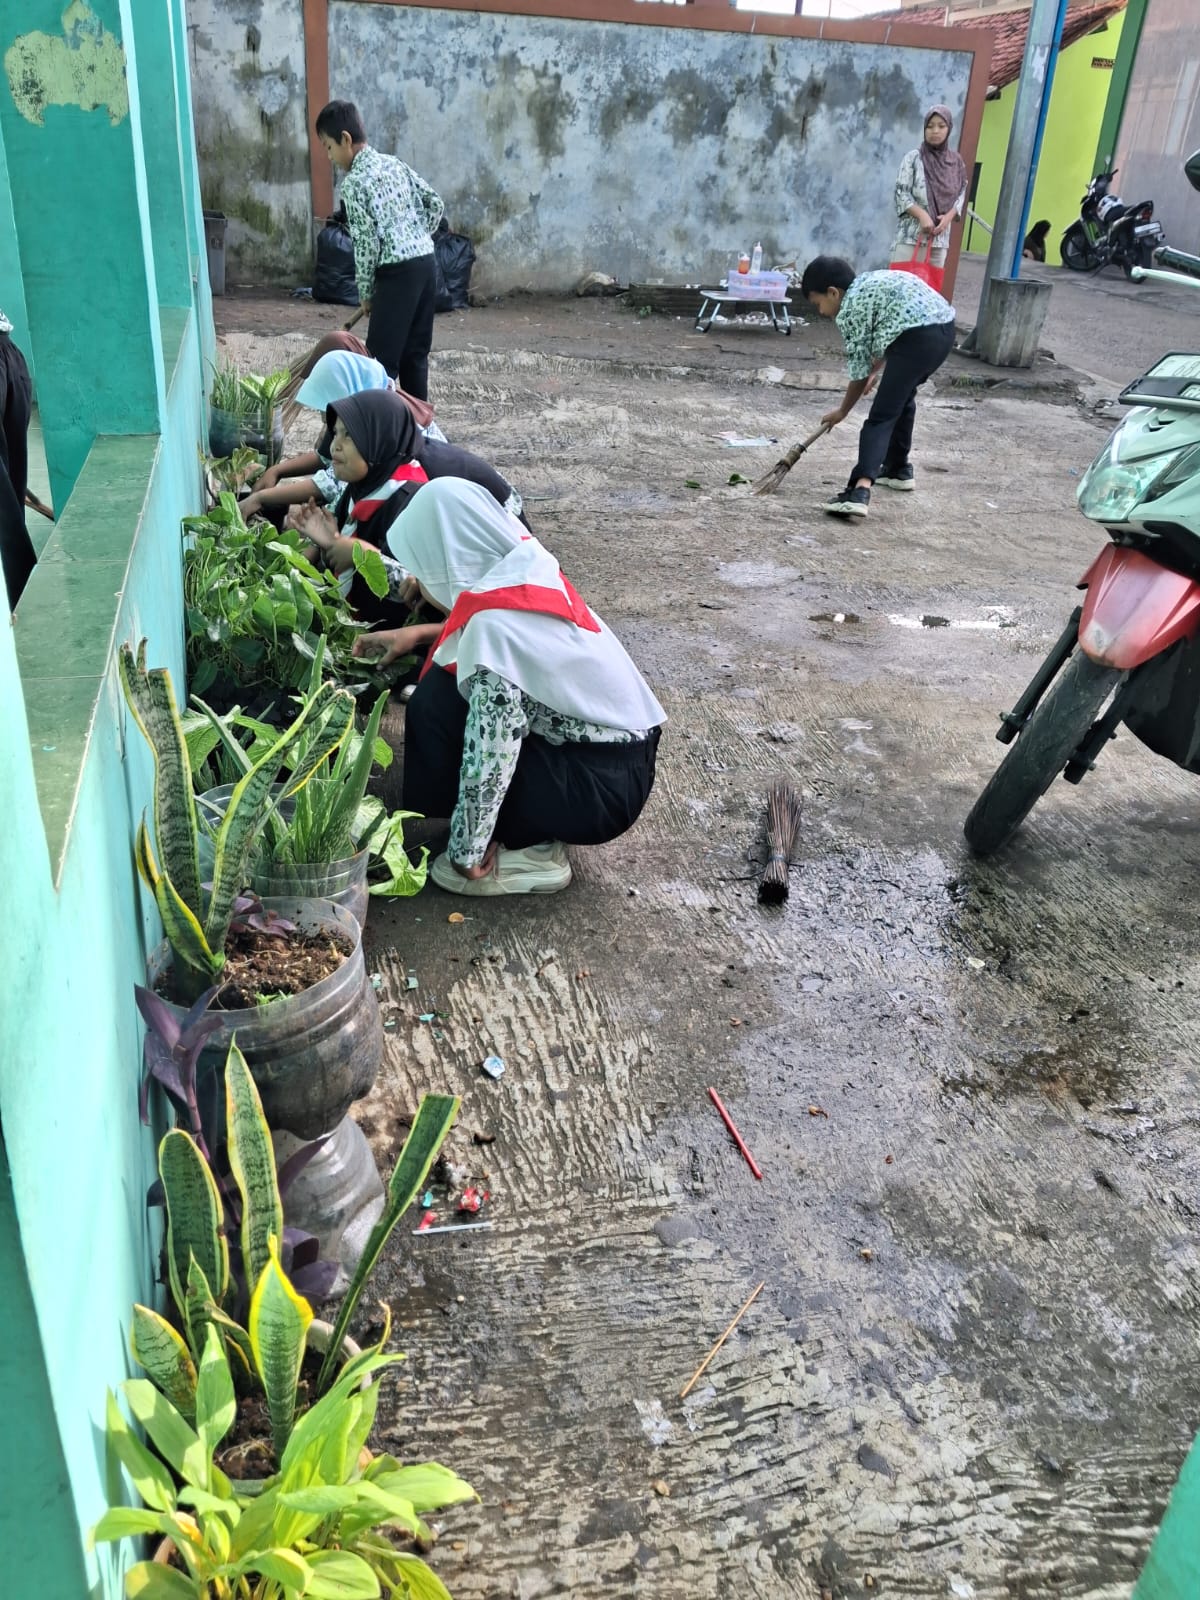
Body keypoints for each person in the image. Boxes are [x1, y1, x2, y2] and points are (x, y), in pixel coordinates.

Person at [349, 477, 666, 897]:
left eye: (424, 569)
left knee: (455, 847)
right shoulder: (520, 563)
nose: (419, 585)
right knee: (441, 698)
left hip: (600, 792)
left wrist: (466, 852)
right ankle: (524, 827)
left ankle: (531, 851)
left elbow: (489, 761)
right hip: (612, 763)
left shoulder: (493, 634)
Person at [285, 389, 524, 618]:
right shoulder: (359, 486)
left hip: (404, 639)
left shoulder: (413, 503)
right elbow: (338, 542)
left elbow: (428, 590)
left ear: (378, 439)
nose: (334, 445)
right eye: (335, 433)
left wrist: (365, 557)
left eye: (349, 435)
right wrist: (324, 542)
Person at [801, 255, 955, 518]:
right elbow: (894, 323)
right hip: (944, 331)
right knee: (902, 397)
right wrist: (876, 369)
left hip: (917, 339)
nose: (821, 312)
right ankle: (897, 469)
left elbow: (858, 372)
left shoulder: (850, 308)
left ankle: (859, 490)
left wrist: (842, 412)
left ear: (833, 292)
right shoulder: (870, 282)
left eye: (818, 303)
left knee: (881, 417)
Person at [315, 100, 443, 400]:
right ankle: (418, 432)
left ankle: (372, 436)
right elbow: (435, 203)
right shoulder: (394, 163)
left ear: (345, 139)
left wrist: (366, 291)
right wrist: (414, 237)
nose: (330, 156)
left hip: (396, 274)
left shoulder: (354, 183)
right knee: (415, 356)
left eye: (329, 147)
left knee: (380, 364)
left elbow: (366, 244)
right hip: (426, 264)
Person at [239, 348, 441, 524]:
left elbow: (329, 485)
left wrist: (260, 498)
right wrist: (277, 471)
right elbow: (326, 458)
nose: (323, 418)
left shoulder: (382, 423)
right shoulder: (361, 413)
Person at [892, 106, 968, 271]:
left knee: (930, 291)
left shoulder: (956, 162)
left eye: (941, 126)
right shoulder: (913, 158)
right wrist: (922, 216)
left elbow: (962, 192)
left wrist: (948, 217)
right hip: (911, 238)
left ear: (949, 129)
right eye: (930, 126)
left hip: (939, 241)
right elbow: (901, 193)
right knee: (901, 289)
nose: (935, 131)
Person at [0, 306, 36, 608]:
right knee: (10, 478)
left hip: (5, 358)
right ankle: (20, 593)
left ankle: (18, 587)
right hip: (10, 355)